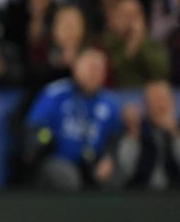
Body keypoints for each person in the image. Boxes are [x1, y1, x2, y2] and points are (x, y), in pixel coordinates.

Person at [24, 48, 121, 190]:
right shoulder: (55, 94)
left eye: (100, 69)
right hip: (56, 160)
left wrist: (109, 159)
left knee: (113, 176)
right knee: (67, 177)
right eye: (91, 67)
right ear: (76, 68)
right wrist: (46, 138)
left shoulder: (110, 103)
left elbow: (115, 139)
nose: (95, 73)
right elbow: (35, 130)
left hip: (93, 163)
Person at [114, 80, 180, 189]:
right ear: (145, 106)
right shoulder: (136, 130)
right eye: (152, 100)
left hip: (178, 196)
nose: (158, 105)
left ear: (173, 102)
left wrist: (175, 132)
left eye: (162, 99)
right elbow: (126, 171)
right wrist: (133, 133)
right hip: (142, 196)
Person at [102, 0, 170, 87]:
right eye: (125, 15)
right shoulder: (106, 44)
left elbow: (161, 74)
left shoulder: (154, 44)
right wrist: (131, 47)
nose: (130, 20)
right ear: (115, 18)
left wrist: (141, 42)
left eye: (134, 15)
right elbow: (112, 74)